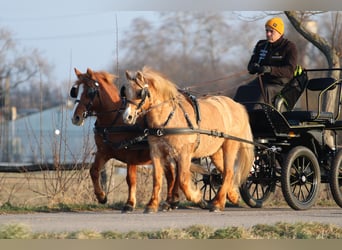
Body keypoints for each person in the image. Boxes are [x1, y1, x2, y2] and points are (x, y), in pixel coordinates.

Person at [234, 17, 298, 109]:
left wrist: (270, 69)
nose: (268, 34)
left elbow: (289, 71)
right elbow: (251, 65)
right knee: (242, 90)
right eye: (267, 31)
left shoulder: (289, 47)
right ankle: (237, 115)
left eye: (272, 31)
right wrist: (253, 67)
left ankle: (257, 117)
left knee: (265, 90)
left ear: (280, 33)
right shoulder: (261, 45)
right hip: (261, 81)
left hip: (279, 83)